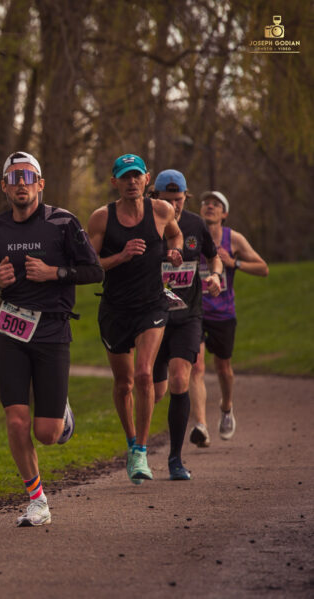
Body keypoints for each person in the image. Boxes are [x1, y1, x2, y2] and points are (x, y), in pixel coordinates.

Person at [0, 151, 103, 526]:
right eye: (14, 178)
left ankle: (60, 411)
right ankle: (37, 500)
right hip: (11, 330)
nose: (21, 184)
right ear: (4, 187)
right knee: (16, 421)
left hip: (51, 329)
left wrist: (54, 272)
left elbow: (94, 271)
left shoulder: (63, 223)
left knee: (47, 434)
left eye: (28, 177)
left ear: (41, 184)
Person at [86, 153, 183, 485]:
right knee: (124, 383)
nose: (131, 182)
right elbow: (89, 265)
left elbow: (175, 236)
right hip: (115, 310)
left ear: (147, 179)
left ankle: (141, 450)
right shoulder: (102, 219)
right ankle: (130, 441)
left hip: (152, 306)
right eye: (124, 177)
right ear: (114, 182)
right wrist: (122, 256)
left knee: (144, 374)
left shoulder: (162, 211)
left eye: (136, 176)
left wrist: (174, 251)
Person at [149, 170, 223, 481]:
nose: (174, 207)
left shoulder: (194, 225)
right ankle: (137, 448)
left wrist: (215, 275)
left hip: (188, 317)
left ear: (185, 198)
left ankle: (175, 460)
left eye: (179, 200)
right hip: (152, 318)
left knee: (181, 378)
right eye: (167, 201)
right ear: (156, 199)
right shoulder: (145, 224)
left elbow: (214, 257)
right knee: (153, 390)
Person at [188, 191, 269, 446]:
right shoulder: (190, 234)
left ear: (224, 213)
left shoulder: (232, 238)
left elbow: (263, 268)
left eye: (216, 204)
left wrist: (234, 262)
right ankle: (200, 425)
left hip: (223, 313)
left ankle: (226, 407)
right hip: (195, 311)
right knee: (197, 366)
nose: (210, 207)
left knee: (223, 368)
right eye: (205, 203)